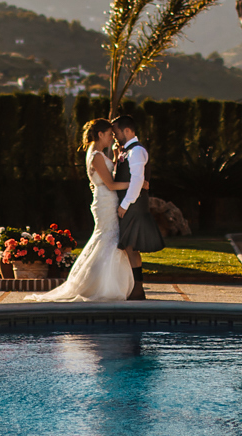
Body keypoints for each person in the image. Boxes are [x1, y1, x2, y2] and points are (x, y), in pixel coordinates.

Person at [30, 118, 133, 303]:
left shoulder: (95, 154)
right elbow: (110, 183)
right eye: (109, 134)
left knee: (106, 240)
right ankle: (100, 286)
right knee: (108, 240)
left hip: (104, 200)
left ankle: (101, 283)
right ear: (100, 134)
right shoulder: (97, 156)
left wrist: (117, 159)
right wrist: (136, 184)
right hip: (106, 201)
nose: (111, 138)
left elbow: (102, 178)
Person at [108, 113, 164, 300]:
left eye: (116, 133)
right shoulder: (126, 150)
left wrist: (124, 205)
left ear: (127, 130)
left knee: (131, 247)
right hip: (129, 204)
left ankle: (138, 289)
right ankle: (134, 287)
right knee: (129, 247)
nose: (115, 136)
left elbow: (138, 180)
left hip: (133, 205)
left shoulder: (137, 151)